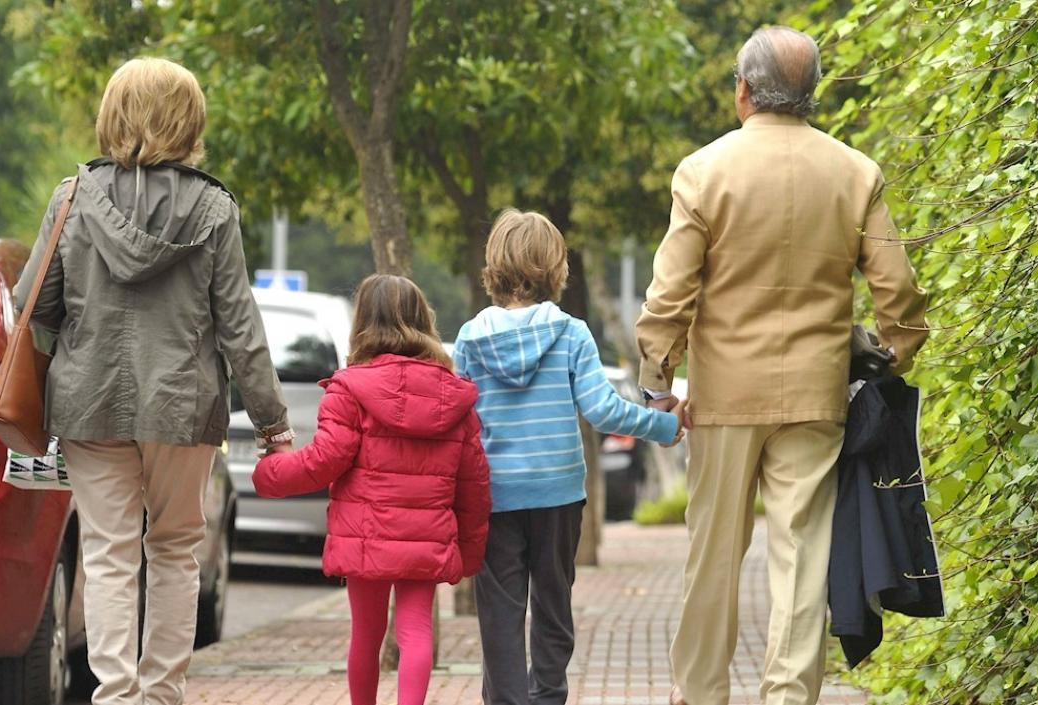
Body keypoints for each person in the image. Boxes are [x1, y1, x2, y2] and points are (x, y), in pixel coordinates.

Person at [635, 26, 930, 705]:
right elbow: (900, 295)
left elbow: (669, 295)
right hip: (815, 397)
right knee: (800, 557)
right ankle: (789, 695)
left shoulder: (703, 172)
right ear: (812, 95)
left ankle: (701, 691)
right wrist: (887, 356)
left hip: (724, 397)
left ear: (743, 91)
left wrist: (657, 387)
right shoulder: (856, 174)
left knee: (712, 554)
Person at [13, 57, 293, 705]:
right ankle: (163, 694)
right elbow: (240, 329)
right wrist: (273, 421)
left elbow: (35, 306)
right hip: (183, 406)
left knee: (109, 554)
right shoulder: (216, 209)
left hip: (90, 402)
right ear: (189, 120)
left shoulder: (72, 198)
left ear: (113, 114)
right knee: (174, 549)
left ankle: (115, 694)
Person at [452, 209, 684, 705]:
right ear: (554, 266)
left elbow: (459, 422)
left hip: (495, 496)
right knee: (554, 606)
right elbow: (601, 411)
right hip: (558, 494)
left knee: (500, 613)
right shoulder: (571, 332)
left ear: (496, 264)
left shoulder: (470, 338)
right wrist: (664, 425)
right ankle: (549, 697)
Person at [252, 274, 491, 705]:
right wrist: (469, 553)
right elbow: (474, 484)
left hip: (367, 535)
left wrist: (271, 472)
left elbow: (324, 460)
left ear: (362, 322)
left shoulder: (349, 389)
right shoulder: (453, 397)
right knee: (416, 631)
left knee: (367, 634)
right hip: (426, 537)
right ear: (424, 320)